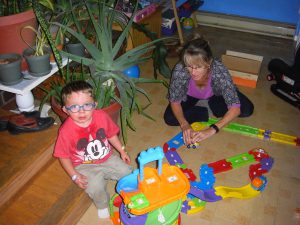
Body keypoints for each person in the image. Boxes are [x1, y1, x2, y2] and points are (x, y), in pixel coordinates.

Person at [53, 80, 132, 219]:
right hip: (84, 166)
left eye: (86, 105)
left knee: (128, 172)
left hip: (107, 158)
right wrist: (74, 175)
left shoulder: (101, 116)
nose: (81, 111)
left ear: (94, 105)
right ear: (65, 110)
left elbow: (111, 134)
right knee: (95, 187)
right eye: (74, 107)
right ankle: (102, 204)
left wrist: (122, 151)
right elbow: (62, 156)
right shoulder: (66, 131)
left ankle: (131, 194)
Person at [164, 34, 254, 145]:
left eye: (198, 67)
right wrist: (184, 124)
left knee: (247, 109)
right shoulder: (180, 69)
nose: (193, 72)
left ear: (208, 63)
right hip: (189, 97)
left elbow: (235, 108)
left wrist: (212, 129)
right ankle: (204, 111)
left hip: (215, 95)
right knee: (170, 118)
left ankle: (210, 106)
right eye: (189, 66)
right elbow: (175, 100)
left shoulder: (219, 69)